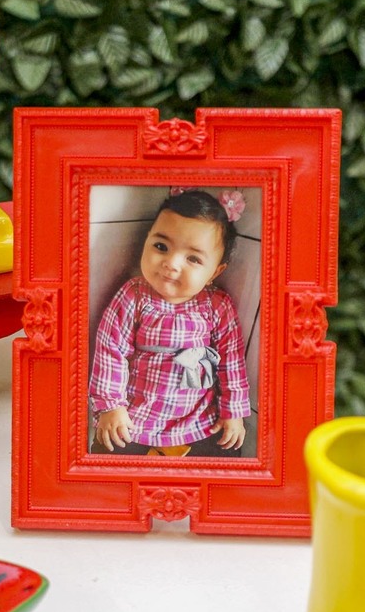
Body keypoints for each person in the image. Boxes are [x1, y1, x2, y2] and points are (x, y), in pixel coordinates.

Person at [90, 189, 252, 457]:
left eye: (193, 259)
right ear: (146, 241)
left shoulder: (218, 305)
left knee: (227, 450)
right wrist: (111, 406)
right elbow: (110, 350)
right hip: (137, 417)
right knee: (110, 448)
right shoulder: (134, 295)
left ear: (215, 272)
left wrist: (233, 412)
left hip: (198, 418)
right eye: (161, 247)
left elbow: (231, 361)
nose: (171, 263)